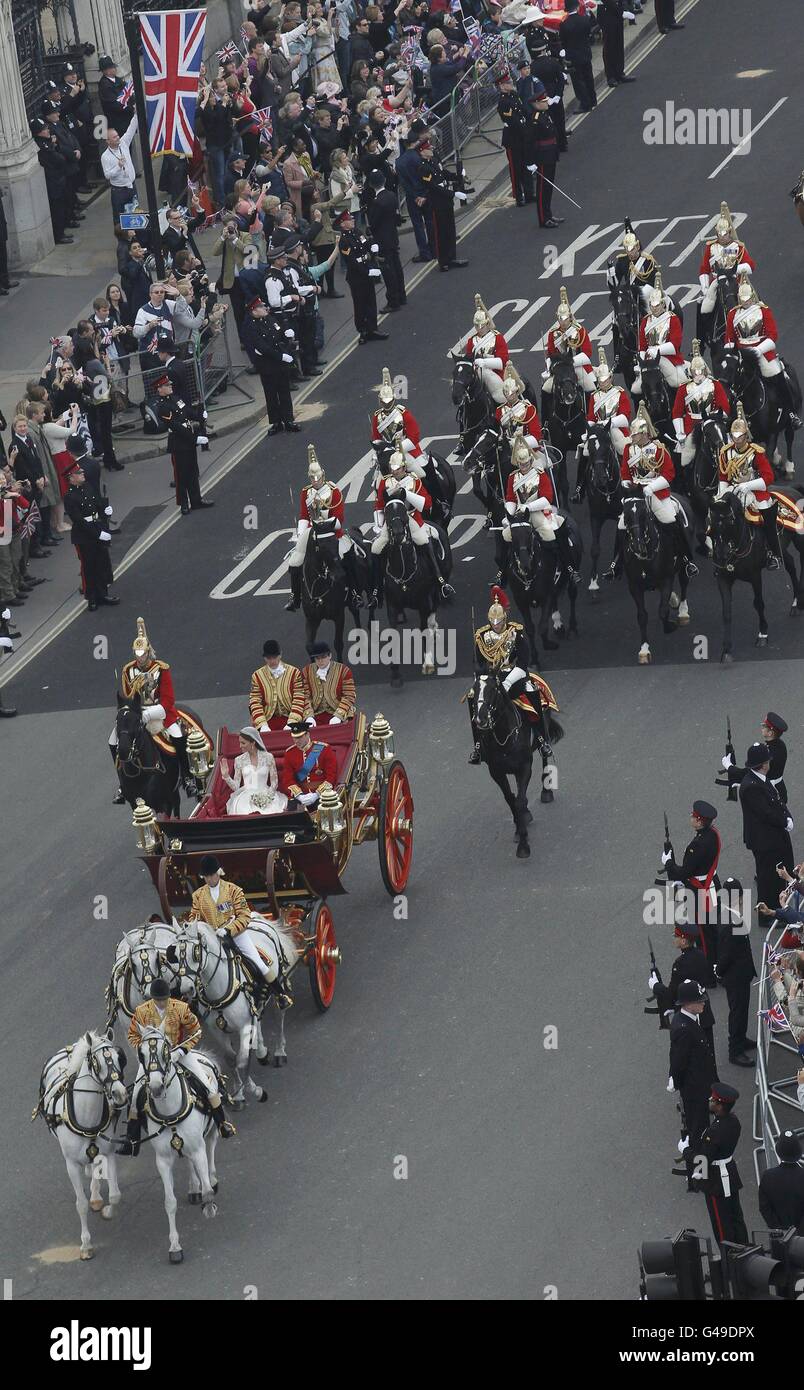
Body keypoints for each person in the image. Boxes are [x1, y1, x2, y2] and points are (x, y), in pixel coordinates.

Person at [118, 978, 234, 1154]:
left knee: (207, 1084)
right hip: (154, 1060)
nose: (162, 1003)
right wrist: (144, 1051)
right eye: (158, 1000)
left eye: (164, 999)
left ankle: (222, 1123)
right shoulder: (142, 1012)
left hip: (179, 1054)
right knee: (135, 1097)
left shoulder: (180, 1008)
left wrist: (181, 1051)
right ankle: (132, 1140)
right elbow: (133, 1035)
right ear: (152, 998)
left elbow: (196, 1030)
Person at [607, 404, 697, 579]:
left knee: (671, 520)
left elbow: (668, 474)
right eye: (632, 434)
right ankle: (615, 562)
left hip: (656, 492)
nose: (632, 437)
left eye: (635, 434)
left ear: (645, 434)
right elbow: (625, 473)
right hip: (635, 494)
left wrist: (651, 487)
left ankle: (686, 559)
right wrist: (627, 485)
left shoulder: (659, 449)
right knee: (621, 525)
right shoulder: (628, 449)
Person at [111, 615, 196, 800]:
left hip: (160, 713)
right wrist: (132, 713)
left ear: (148, 652)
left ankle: (187, 778)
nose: (139, 658)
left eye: (142, 654)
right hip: (136, 713)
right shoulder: (128, 670)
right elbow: (127, 697)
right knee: (114, 740)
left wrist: (148, 714)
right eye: (137, 654)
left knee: (177, 735)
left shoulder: (161, 669)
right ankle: (122, 782)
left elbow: (168, 700)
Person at [467, 586, 548, 765]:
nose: (496, 625)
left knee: (532, 694)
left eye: (499, 621)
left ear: (505, 618)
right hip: (490, 679)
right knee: (473, 699)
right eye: (493, 622)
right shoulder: (482, 636)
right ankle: (478, 746)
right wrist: (479, 678)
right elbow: (478, 663)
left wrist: (508, 682)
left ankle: (542, 739)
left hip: (513, 677)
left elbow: (523, 662)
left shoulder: (515, 634)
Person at [371, 448, 454, 600]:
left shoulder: (414, 480)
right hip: (392, 520)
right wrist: (378, 525)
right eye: (392, 469)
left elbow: (427, 504)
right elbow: (379, 506)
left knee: (424, 540)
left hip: (411, 518)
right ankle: (377, 589)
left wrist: (406, 494)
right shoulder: (385, 482)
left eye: (398, 469)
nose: (395, 472)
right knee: (376, 548)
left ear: (404, 467)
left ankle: (440, 580)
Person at [285, 444, 360, 611]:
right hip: (313, 531)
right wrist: (300, 533)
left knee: (345, 557)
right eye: (312, 478)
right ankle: (295, 596)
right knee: (295, 561)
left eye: (317, 478)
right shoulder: (306, 492)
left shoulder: (334, 491)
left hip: (332, 531)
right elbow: (304, 515)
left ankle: (354, 592)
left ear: (323, 475)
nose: (315, 481)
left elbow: (339, 518)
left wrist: (325, 523)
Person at [502, 432, 581, 584]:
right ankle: (504, 571)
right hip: (519, 514)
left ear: (531, 460)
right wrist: (509, 513)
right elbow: (511, 498)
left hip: (537, 512)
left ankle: (568, 568)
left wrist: (528, 507)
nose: (523, 467)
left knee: (551, 535)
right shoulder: (513, 477)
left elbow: (547, 498)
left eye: (526, 464)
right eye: (521, 464)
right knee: (506, 535)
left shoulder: (540, 474)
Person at [724, 276, 801, 429]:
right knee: (730, 380)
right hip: (742, 354)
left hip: (762, 352)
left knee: (777, 374)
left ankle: (791, 413)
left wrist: (758, 350)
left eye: (748, 299)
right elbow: (729, 337)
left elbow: (773, 335)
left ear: (753, 296)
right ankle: (730, 416)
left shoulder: (763, 311)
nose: (746, 302)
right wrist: (730, 350)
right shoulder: (733, 314)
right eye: (743, 299)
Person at [661, 799, 721, 971]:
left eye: (693, 816)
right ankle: (716, 962)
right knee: (712, 927)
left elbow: (684, 872)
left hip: (700, 890)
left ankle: (709, 970)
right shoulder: (713, 834)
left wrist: (669, 863)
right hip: (711, 884)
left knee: (703, 933)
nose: (691, 817)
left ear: (700, 821)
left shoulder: (697, 844)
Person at [717, 407, 780, 570]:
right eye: (734, 436)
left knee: (767, 520)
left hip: (754, 491)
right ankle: (718, 549)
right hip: (733, 490)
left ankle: (772, 553)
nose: (736, 440)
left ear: (746, 435)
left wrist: (748, 485)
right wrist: (721, 493)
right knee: (718, 515)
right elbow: (723, 475)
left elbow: (768, 477)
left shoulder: (756, 453)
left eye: (740, 436)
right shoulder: (726, 452)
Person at [668, 980, 716, 1186]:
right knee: (698, 1131)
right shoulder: (684, 1028)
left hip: (700, 1083)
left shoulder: (688, 1019)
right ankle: (699, 1174)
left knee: (699, 1129)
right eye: (699, 1001)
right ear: (688, 1004)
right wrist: (675, 1080)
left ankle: (698, 1170)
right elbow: (679, 1061)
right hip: (695, 1089)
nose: (704, 1003)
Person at [691, 1082, 749, 1246]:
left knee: (721, 1223)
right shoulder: (733, 1121)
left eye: (714, 1100)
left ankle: (729, 1257)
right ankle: (744, 1249)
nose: (710, 1100)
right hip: (729, 1171)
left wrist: (687, 1151)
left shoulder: (714, 1131)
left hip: (716, 1180)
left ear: (720, 1105)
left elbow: (704, 1158)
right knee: (736, 1216)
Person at [738, 742, 794, 909]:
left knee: (776, 873)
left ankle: (777, 906)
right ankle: (767, 911)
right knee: (767, 877)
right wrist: (784, 822)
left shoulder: (759, 779)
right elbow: (766, 812)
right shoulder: (751, 787)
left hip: (772, 836)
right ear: (763, 764)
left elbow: (776, 801)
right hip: (764, 840)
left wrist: (787, 816)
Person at [650, 920, 716, 1056]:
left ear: (684, 941)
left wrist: (656, 985)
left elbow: (673, 993)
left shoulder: (680, 964)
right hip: (705, 1010)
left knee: (695, 1056)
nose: (674, 938)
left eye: (676, 936)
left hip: (692, 1014)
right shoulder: (700, 955)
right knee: (708, 1053)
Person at [575, 347, 631, 501]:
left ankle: (629, 481)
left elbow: (625, 415)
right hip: (599, 429)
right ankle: (580, 487)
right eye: (601, 381)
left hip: (615, 428)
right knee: (586, 452)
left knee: (624, 450)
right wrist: (589, 429)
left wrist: (609, 423)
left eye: (605, 380)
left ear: (611, 379)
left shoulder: (619, 393)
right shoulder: (594, 396)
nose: (603, 383)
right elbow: (592, 416)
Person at [63, 460, 118, 614]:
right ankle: (92, 598)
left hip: (96, 526)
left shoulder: (88, 487)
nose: (82, 474)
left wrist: (105, 511)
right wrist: (98, 533)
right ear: (71, 477)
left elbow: (97, 503)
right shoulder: (69, 496)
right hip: (84, 535)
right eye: (79, 473)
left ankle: (103, 594)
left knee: (101, 563)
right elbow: (78, 520)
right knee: (89, 567)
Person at [153, 376, 213, 517]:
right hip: (178, 443)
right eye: (167, 385)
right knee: (181, 476)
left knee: (193, 471)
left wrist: (199, 416)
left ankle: (196, 500)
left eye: (170, 384)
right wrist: (195, 439)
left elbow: (187, 411)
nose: (171, 386)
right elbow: (176, 427)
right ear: (160, 389)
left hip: (188, 439)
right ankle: (184, 503)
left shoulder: (175, 398)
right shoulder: (162, 407)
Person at [698, 202, 755, 349]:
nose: (723, 237)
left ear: (729, 232)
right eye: (720, 234)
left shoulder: (738, 247)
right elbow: (704, 270)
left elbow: (750, 266)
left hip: (736, 280)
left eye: (725, 234)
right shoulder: (711, 247)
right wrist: (705, 288)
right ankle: (702, 340)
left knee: (753, 301)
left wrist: (734, 271)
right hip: (717, 281)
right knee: (704, 306)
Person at [714, 877, 756, 1067]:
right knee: (737, 1012)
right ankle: (735, 1050)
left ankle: (741, 1038)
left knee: (742, 1009)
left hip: (741, 972)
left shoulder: (732, 914)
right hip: (735, 976)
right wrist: (719, 971)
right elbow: (726, 954)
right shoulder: (730, 921)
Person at [241, 296, 298, 435]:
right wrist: (281, 356)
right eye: (261, 307)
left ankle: (288, 420)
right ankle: (276, 422)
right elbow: (262, 347)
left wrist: (286, 334)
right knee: (271, 394)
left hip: (279, 363)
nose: (264, 308)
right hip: (267, 365)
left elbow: (278, 332)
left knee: (284, 391)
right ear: (254, 310)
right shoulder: (252, 327)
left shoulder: (270, 319)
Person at [671, 341, 731, 472]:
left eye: (700, 371)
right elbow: (676, 413)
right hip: (691, 425)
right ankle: (685, 477)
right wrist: (680, 432)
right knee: (686, 454)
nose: (698, 374)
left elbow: (725, 408)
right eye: (695, 372)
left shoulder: (715, 385)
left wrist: (714, 417)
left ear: (705, 370)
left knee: (728, 446)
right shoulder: (683, 388)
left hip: (713, 421)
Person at [335, 209, 388, 344]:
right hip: (357, 277)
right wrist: (367, 272)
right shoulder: (344, 241)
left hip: (366, 272)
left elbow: (365, 242)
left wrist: (373, 246)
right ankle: (363, 331)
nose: (352, 220)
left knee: (371, 301)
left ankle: (373, 328)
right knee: (360, 305)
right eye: (349, 219)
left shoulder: (357, 232)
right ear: (342, 224)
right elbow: (352, 262)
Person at [419, 139, 468, 273]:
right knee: (441, 232)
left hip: (445, 200)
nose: (431, 150)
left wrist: (457, 176)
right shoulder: (423, 168)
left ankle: (452, 257)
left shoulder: (434, 161)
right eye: (428, 148)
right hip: (437, 202)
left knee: (450, 229)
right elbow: (433, 187)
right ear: (422, 151)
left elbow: (443, 174)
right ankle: (444, 261)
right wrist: (453, 193)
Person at [634, 273, 686, 399]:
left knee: (679, 383)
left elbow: (675, 345)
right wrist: (641, 363)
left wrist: (655, 350)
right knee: (636, 389)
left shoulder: (672, 319)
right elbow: (642, 346)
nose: (654, 308)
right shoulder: (645, 321)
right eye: (652, 305)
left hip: (670, 359)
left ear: (663, 305)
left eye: (657, 305)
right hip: (649, 361)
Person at [543, 287, 594, 408]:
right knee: (545, 389)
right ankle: (545, 422)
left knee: (591, 387)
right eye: (560, 318)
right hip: (560, 369)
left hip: (577, 366)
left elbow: (588, 352)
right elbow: (551, 352)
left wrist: (571, 362)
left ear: (570, 316)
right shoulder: (553, 333)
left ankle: (591, 415)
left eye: (565, 318)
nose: (563, 321)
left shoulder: (579, 330)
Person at [723, 711, 789, 804]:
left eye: (764, 726)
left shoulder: (768, 753)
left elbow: (749, 772)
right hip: (778, 789)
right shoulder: (779, 745)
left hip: (769, 792)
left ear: (770, 733)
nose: (762, 727)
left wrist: (729, 767)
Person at [366, 168, 406, 311]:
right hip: (393, 237)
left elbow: (373, 223)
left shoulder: (376, 202)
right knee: (397, 267)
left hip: (382, 240)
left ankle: (393, 301)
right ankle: (402, 296)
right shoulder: (391, 196)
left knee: (389, 272)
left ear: (371, 184)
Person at [221, 729, 288, 815]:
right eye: (240, 742)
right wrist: (226, 776)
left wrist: (267, 797)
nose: (240, 746)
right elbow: (236, 787)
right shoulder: (239, 760)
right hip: (245, 797)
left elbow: (274, 783)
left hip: (266, 794)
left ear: (253, 743)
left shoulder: (268, 757)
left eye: (243, 743)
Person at [249, 639, 310, 731]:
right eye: (269, 658)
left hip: (290, 716)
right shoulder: (257, 676)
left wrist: (292, 721)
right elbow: (255, 702)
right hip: (268, 719)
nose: (272, 661)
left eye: (274, 657)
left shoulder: (294, 672)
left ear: (280, 655)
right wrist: (262, 724)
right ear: (264, 658)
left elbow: (299, 699)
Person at [526, 81, 562, 230]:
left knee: (549, 187)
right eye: (544, 101)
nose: (547, 102)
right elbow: (529, 142)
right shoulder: (534, 120)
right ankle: (543, 218)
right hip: (542, 157)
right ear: (537, 104)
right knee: (542, 189)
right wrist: (530, 162)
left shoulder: (544, 115)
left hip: (550, 154)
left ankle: (549, 214)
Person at [280, 719, 338, 807]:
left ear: (307, 734)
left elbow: (331, 776)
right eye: (294, 738)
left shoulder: (324, 749)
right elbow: (287, 779)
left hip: (322, 795)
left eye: (299, 737)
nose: (296, 741)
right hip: (301, 795)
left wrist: (317, 794)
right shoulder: (289, 753)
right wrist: (299, 796)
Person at [497, 72, 533, 208]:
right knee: (515, 168)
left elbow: (522, 110)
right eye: (508, 83)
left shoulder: (514, 95)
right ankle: (518, 196)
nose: (511, 84)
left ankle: (529, 193)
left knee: (526, 164)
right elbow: (511, 121)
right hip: (512, 137)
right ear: (502, 86)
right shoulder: (503, 102)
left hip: (522, 134)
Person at [395, 132, 433, 263]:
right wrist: (422, 195)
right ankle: (434, 249)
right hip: (425, 195)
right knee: (430, 221)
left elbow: (404, 184)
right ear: (416, 142)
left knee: (418, 226)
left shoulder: (399, 162)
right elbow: (426, 177)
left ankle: (424, 253)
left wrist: (415, 196)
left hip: (412, 198)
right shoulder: (419, 156)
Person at [465, 296, 510, 406]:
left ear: (487, 323)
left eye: (481, 325)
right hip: (477, 375)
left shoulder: (497, 338)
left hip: (495, 374)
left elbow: (502, 361)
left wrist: (484, 363)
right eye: (476, 325)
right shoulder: (471, 341)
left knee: (501, 397)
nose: (479, 328)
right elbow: (468, 360)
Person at [758, 1132, 804, 1233]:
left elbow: (764, 1208)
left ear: (779, 1152)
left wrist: (778, 1229)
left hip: (779, 1236)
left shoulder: (767, 1176)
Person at [302, 639, 356, 724]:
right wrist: (309, 716)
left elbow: (349, 696)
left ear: (330, 656)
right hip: (316, 715)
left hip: (339, 712)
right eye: (317, 658)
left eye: (323, 657)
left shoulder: (344, 670)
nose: (320, 661)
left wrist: (338, 715)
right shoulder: (306, 671)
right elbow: (305, 696)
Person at [371, 368, 422, 457]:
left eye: (389, 401)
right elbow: (376, 437)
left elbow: (414, 436)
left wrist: (398, 449)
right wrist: (377, 450)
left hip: (407, 451)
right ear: (380, 401)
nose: (386, 404)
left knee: (422, 468)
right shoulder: (376, 417)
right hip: (387, 453)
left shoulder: (404, 414)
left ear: (393, 399)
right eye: (384, 401)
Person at [100, 114, 139, 223]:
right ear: (108, 141)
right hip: (119, 192)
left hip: (132, 186)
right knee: (120, 220)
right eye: (114, 137)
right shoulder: (105, 156)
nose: (117, 138)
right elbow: (107, 175)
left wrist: (136, 113)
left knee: (136, 215)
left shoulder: (124, 143)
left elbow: (131, 129)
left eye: (117, 135)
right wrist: (118, 166)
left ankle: (136, 238)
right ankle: (123, 240)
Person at [559, 0, 596, 113]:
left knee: (578, 81)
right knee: (589, 77)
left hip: (573, 57)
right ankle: (593, 99)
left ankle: (585, 104)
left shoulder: (564, 24)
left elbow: (563, 42)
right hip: (585, 53)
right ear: (576, 7)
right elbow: (588, 33)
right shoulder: (584, 19)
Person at [496, 362, 543, 448]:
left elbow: (536, 436)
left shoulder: (528, 408)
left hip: (526, 449)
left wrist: (514, 444)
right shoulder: (499, 411)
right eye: (506, 393)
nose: (509, 395)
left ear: (517, 392)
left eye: (512, 393)